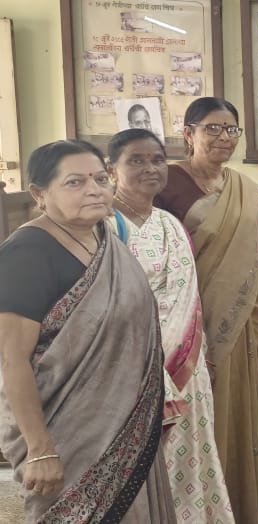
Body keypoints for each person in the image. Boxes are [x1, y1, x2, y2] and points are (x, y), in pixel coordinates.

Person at [0, 140, 176, 522]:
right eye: (75, 182)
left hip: (129, 422)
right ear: (39, 194)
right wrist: (40, 449)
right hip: (66, 432)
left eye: (100, 179)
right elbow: (12, 362)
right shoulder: (26, 253)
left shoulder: (107, 240)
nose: (94, 189)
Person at [153, 97, 258, 524]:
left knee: (236, 412)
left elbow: (255, 254)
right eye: (213, 128)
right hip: (185, 321)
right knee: (193, 418)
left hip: (240, 318)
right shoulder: (166, 183)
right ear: (188, 133)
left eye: (231, 129)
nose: (224, 137)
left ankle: (237, 508)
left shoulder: (243, 186)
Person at [105, 129, 236, 523]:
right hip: (132, 369)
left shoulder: (171, 224)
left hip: (187, 367)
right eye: (136, 160)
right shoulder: (102, 227)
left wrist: (198, 353)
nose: (150, 168)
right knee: (140, 467)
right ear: (111, 170)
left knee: (190, 455)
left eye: (157, 159)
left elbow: (188, 299)